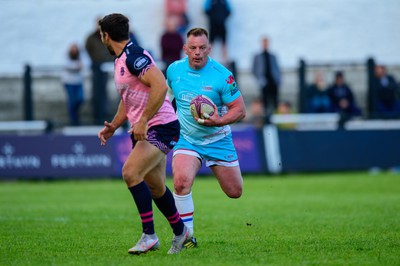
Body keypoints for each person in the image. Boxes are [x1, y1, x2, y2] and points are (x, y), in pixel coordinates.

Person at [97, 13, 190, 255]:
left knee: (130, 172)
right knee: (156, 186)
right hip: (147, 128)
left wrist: (145, 120)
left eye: (101, 35)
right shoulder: (121, 59)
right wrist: (115, 125)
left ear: (106, 35)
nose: (101, 39)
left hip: (161, 126)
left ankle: (149, 235)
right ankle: (181, 233)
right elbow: (128, 99)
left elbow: (160, 84)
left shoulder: (133, 57)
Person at [166, 28, 246, 247]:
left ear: (209, 49)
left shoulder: (222, 75)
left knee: (235, 192)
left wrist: (218, 121)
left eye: (202, 48)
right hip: (187, 138)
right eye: (192, 48)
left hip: (217, 139)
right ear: (185, 49)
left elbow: (239, 110)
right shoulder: (173, 70)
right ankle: (186, 236)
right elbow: (167, 99)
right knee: (181, 183)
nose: (197, 52)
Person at [85, 17, 115, 125]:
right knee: (97, 92)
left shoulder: (107, 37)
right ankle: (97, 115)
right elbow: (88, 49)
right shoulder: (91, 38)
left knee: (105, 92)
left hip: (106, 67)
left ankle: (105, 113)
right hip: (96, 67)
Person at [252, 36, 281, 120]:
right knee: (264, 101)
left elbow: (276, 68)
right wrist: (259, 79)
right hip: (264, 82)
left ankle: (275, 116)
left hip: (273, 81)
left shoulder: (273, 56)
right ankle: (265, 117)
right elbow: (254, 69)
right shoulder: (257, 56)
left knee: (275, 99)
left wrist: (278, 79)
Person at [61, 43, 85, 126]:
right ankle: (74, 120)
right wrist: (77, 66)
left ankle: (75, 116)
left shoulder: (80, 56)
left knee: (80, 99)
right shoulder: (66, 56)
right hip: (69, 82)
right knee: (72, 101)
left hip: (78, 82)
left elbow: (84, 64)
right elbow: (68, 66)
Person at [204, 0, 231, 64]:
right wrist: (213, 18)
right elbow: (205, 9)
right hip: (213, 25)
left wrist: (222, 18)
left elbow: (229, 10)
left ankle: (226, 62)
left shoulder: (225, 1)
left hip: (222, 24)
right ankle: (207, 61)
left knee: (224, 43)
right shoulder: (210, 1)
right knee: (210, 43)